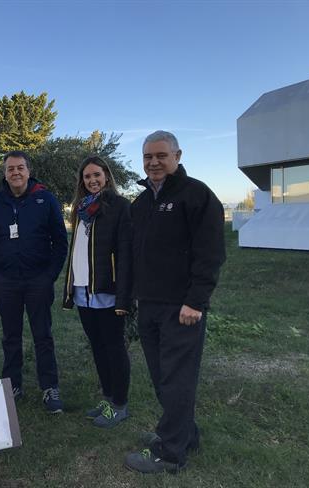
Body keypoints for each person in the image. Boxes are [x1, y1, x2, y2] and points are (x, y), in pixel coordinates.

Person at [124, 131, 226, 473]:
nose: (153, 162)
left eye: (160, 155)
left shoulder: (196, 195)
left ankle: (169, 454)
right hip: (149, 305)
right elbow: (136, 255)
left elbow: (210, 253)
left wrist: (196, 301)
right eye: (147, 157)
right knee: (161, 377)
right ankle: (185, 435)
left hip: (182, 309)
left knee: (177, 378)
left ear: (177, 156)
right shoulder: (140, 204)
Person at [0, 150, 68, 413]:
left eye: (20, 168)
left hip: (37, 281)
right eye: (10, 169)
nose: (15, 173)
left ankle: (49, 387)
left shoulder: (46, 199)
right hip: (6, 282)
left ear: (29, 171)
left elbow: (60, 242)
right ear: (5, 174)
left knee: (43, 335)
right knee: (10, 336)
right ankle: (12, 385)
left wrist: (49, 275)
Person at [62, 155, 132, 428]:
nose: (92, 180)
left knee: (114, 347)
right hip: (83, 290)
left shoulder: (119, 206)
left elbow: (126, 254)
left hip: (108, 291)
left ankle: (120, 404)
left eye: (96, 175)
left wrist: (124, 293)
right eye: (87, 176)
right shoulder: (80, 209)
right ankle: (108, 397)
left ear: (107, 176)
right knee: (98, 347)